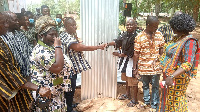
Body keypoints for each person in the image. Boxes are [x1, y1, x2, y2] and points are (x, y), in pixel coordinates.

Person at [0, 12, 51, 112]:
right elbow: (9, 73)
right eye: (3, 22)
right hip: (9, 89)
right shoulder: (3, 42)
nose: (17, 22)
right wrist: (37, 88)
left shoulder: (18, 36)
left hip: (22, 81)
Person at [60, 17, 106, 112]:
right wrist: (98, 47)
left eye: (75, 24)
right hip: (68, 69)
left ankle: (70, 104)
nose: (74, 27)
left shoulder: (70, 35)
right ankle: (68, 108)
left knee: (72, 87)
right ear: (65, 26)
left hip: (72, 68)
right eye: (72, 25)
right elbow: (79, 47)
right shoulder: (65, 36)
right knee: (69, 89)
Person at [158, 13, 198, 112]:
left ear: (179, 27)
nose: (172, 29)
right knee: (166, 98)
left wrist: (172, 76)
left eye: (174, 27)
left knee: (176, 101)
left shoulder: (190, 41)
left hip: (178, 78)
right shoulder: (176, 38)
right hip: (168, 76)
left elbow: (187, 63)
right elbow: (167, 53)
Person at [31, 15, 71, 111]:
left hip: (56, 92)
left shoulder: (49, 46)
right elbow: (57, 68)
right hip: (47, 95)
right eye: (51, 35)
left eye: (56, 34)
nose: (55, 37)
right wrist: (58, 46)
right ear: (41, 36)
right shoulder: (41, 51)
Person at [134, 16, 165, 111]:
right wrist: (135, 68)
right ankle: (147, 101)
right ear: (148, 25)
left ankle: (154, 104)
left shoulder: (159, 34)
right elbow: (136, 53)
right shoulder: (139, 36)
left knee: (155, 86)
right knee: (145, 85)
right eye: (154, 26)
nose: (156, 28)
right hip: (143, 67)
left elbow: (162, 48)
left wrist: (160, 59)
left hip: (156, 67)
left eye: (157, 26)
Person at [106, 18, 139, 107]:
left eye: (131, 24)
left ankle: (135, 99)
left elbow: (133, 51)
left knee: (133, 79)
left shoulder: (137, 37)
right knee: (126, 78)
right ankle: (127, 94)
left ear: (135, 25)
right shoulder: (124, 35)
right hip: (125, 61)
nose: (129, 26)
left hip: (132, 61)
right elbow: (117, 42)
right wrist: (108, 44)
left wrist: (120, 55)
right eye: (127, 24)